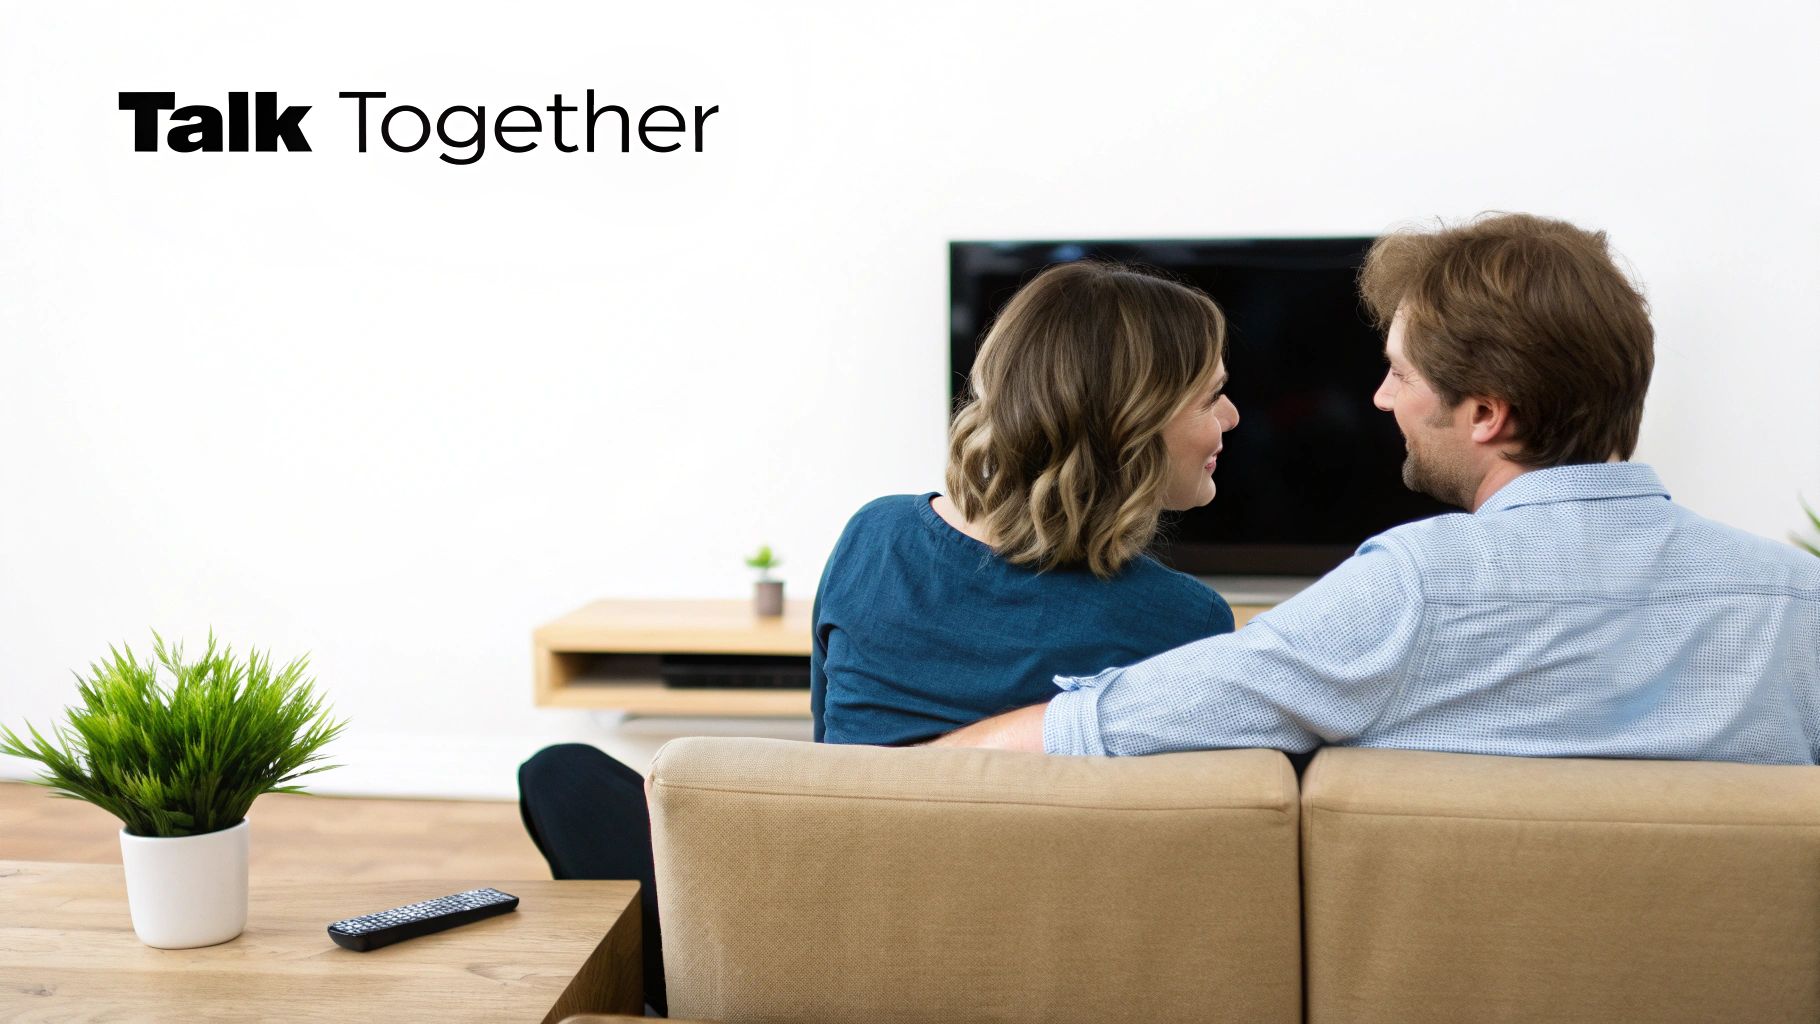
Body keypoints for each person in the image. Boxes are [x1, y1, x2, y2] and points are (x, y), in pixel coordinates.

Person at [519, 260, 1244, 1013]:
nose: (1230, 419)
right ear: (1133, 421)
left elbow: (825, 754)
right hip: (1014, 959)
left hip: (829, 934)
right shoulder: (1187, 620)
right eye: (1212, 397)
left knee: (564, 776)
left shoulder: (877, 535)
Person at [932, 213, 1820, 765]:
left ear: (1486, 414)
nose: (1380, 399)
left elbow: (1098, 730)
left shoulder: (1409, 594)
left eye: (1399, 373)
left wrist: (897, 779)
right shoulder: (1799, 601)